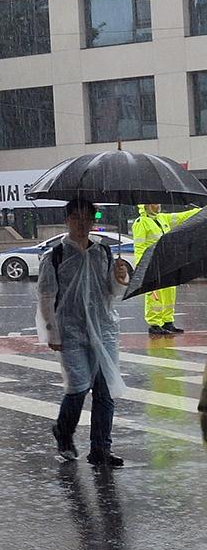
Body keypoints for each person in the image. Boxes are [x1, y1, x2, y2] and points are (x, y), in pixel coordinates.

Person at [39, 199, 131, 467]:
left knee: (104, 390)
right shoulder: (55, 256)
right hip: (71, 331)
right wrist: (51, 332)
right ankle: (63, 432)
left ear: (94, 221)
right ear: (67, 220)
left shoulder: (103, 252)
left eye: (87, 218)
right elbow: (46, 296)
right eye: (76, 217)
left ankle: (101, 448)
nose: (82, 223)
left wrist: (119, 277)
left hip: (104, 329)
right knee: (78, 387)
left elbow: (112, 291)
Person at [132, 204, 200, 335]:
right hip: (152, 264)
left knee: (169, 293)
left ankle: (168, 322)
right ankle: (155, 324)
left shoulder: (163, 218)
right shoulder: (141, 223)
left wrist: (200, 211)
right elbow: (139, 248)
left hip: (166, 264)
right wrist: (143, 269)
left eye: (158, 203)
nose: (158, 206)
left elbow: (182, 216)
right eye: (154, 203)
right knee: (154, 295)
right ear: (146, 206)